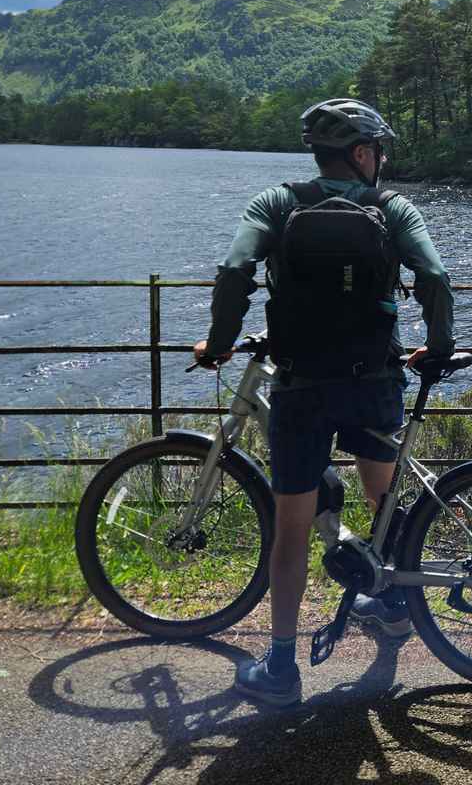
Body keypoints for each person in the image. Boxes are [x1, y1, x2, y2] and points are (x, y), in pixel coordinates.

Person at [193, 98, 454, 706]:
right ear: (362, 153)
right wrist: (437, 348)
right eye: (378, 151)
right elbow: (435, 280)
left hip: (301, 387)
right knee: (381, 497)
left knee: (291, 531)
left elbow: (235, 270)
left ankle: (282, 670)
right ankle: (391, 608)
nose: (381, 161)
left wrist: (222, 343)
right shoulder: (394, 209)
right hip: (376, 381)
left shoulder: (276, 204)